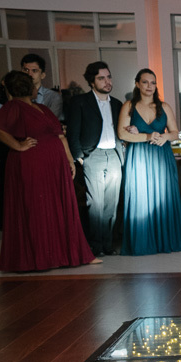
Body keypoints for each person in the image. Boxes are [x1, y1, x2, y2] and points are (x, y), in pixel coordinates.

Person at [0, 71, 98, 271]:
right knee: (38, 207)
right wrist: (18, 146)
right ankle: (41, 258)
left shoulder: (41, 108)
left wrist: (70, 160)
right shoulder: (14, 107)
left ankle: (65, 254)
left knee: (56, 206)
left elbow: (60, 136)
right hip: (31, 164)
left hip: (53, 164)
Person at [117, 68, 181, 256]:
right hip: (138, 157)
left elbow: (175, 132)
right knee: (141, 198)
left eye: (153, 82)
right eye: (146, 82)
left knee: (162, 197)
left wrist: (165, 137)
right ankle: (143, 243)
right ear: (137, 84)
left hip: (161, 157)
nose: (150, 86)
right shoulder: (129, 106)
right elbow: (122, 134)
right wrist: (147, 136)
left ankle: (164, 241)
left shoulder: (164, 107)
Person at [65, 61, 125, 257]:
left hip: (114, 155)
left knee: (111, 204)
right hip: (93, 155)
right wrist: (79, 157)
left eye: (108, 77)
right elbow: (73, 132)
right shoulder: (80, 101)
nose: (107, 81)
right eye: (101, 78)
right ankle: (96, 245)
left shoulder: (117, 103)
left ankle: (107, 244)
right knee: (96, 204)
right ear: (92, 82)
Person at [21, 53, 63, 119]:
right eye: (26, 70)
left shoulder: (53, 97)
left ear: (42, 75)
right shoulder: (16, 95)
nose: (29, 74)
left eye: (34, 70)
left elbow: (51, 121)